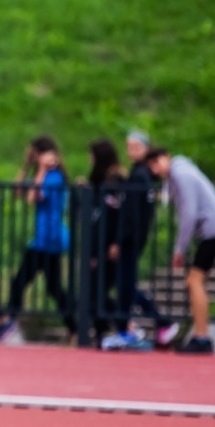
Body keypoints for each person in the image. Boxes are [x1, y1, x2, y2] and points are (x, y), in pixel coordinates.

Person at [145, 147, 215, 354]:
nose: (155, 171)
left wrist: (180, 249)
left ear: (165, 158)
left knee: (194, 280)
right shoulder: (179, 173)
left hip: (213, 229)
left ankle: (202, 337)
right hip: (212, 228)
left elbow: (189, 213)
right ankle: (201, 334)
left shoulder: (180, 174)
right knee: (194, 280)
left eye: (155, 164)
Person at [0, 136, 71, 343]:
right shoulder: (45, 175)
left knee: (24, 283)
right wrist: (27, 165)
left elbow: (32, 197)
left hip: (50, 239)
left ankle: (10, 323)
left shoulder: (54, 177)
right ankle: (74, 325)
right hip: (41, 239)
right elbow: (18, 191)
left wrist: (41, 170)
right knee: (49, 287)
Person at [122, 131, 178, 347]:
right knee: (124, 284)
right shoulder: (139, 173)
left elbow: (134, 213)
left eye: (137, 147)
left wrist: (126, 237)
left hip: (131, 238)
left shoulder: (141, 176)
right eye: (129, 147)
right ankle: (130, 324)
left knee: (126, 284)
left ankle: (157, 320)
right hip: (132, 237)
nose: (132, 151)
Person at [88, 138, 141, 351]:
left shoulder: (116, 180)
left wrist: (114, 242)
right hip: (102, 242)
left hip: (109, 244)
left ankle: (126, 324)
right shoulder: (101, 179)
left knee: (102, 290)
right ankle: (116, 325)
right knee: (97, 291)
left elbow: (115, 216)